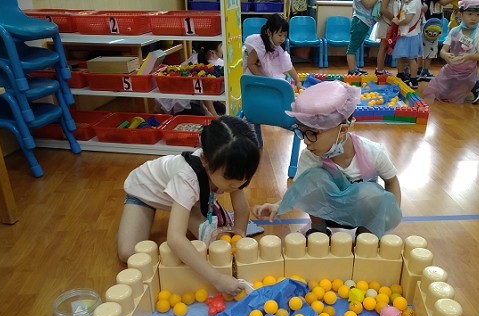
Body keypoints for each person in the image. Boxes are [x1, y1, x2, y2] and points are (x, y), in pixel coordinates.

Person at [117, 116, 261, 296]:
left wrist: (238, 246)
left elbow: (242, 209)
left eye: (244, 180)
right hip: (144, 192)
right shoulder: (187, 178)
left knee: (217, 243)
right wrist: (217, 279)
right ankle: (185, 210)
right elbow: (174, 238)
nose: (237, 186)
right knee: (128, 253)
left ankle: (188, 210)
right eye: (230, 180)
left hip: (193, 198)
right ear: (205, 161)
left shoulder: (232, 170)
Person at [252, 80, 402, 239]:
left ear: (342, 130)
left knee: (370, 193)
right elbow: (298, 189)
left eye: (312, 133)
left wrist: (391, 214)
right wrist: (278, 205)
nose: (306, 141)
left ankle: (366, 233)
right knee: (312, 180)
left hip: (362, 214)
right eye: (302, 132)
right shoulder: (310, 156)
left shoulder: (372, 152)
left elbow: (392, 181)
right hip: (327, 213)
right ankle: (319, 229)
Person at [423, 0, 479, 104]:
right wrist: (446, 55)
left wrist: (469, 56)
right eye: (470, 14)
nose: (474, 18)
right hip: (451, 69)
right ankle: (469, 84)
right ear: (460, 14)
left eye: (478, 15)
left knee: (457, 96)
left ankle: (476, 84)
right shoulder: (454, 31)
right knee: (441, 94)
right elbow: (443, 51)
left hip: (468, 72)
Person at [156, 41, 226, 116]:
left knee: (221, 108)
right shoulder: (198, 64)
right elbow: (204, 94)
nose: (222, 49)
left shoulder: (208, 59)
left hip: (195, 97)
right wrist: (213, 115)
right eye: (220, 46)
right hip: (181, 101)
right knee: (202, 115)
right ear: (211, 52)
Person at [243, 13, 302, 89]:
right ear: (269, 32)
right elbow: (251, 64)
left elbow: (288, 65)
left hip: (266, 70)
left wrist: (298, 81)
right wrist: (264, 80)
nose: (282, 39)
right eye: (280, 35)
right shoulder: (259, 45)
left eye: (285, 35)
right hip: (254, 73)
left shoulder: (278, 45)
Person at [391, 0, 424, 89]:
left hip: (410, 35)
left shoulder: (414, 3)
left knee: (411, 59)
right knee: (400, 56)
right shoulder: (409, 2)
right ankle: (401, 74)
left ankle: (413, 80)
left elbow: (407, 20)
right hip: (404, 34)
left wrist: (397, 22)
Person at [367, 0, 395, 76]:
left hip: (389, 22)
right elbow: (383, 9)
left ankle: (380, 69)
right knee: (383, 47)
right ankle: (380, 70)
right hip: (386, 23)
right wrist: (394, 19)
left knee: (385, 48)